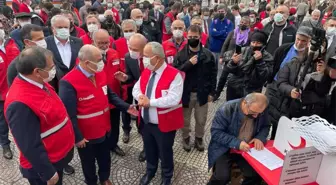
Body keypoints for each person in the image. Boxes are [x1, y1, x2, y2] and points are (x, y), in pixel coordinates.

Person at [59, 45, 137, 185]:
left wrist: (126, 107)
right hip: (86, 134)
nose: (102, 62)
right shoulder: (68, 82)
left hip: (104, 127)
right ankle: (91, 181)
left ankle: (104, 177)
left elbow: (110, 95)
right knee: (88, 162)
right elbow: (69, 113)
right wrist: (78, 137)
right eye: (99, 59)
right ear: (86, 62)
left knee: (104, 156)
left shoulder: (99, 72)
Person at [5, 47, 75, 185]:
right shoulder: (19, 103)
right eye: (51, 67)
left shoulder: (39, 83)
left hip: (57, 156)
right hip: (45, 167)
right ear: (37, 71)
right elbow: (29, 144)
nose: (53, 70)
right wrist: (47, 172)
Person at [132, 41, 184, 185]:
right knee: (149, 149)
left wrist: (150, 102)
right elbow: (136, 88)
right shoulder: (147, 71)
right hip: (146, 122)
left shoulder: (175, 75)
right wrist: (140, 97)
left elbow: (174, 99)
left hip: (164, 125)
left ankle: (166, 176)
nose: (144, 59)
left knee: (165, 152)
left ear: (158, 58)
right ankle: (150, 171)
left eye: (147, 56)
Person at [207, 93, 270, 185]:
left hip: (248, 149)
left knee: (255, 175)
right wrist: (237, 143)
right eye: (253, 112)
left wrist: (259, 138)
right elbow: (216, 133)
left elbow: (266, 126)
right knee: (222, 177)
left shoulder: (260, 110)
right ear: (244, 103)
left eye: (259, 113)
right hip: (224, 148)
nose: (256, 116)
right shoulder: (227, 108)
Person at [173, 25, 216, 152]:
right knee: (185, 119)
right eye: (190, 37)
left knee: (201, 119)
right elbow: (175, 73)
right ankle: (186, 137)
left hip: (202, 93)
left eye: (195, 37)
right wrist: (188, 64)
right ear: (186, 36)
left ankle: (199, 138)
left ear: (200, 37)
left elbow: (213, 75)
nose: (193, 39)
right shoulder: (181, 54)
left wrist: (212, 92)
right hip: (186, 93)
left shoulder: (208, 55)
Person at [266, 26, 311, 139]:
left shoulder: (309, 56)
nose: (300, 43)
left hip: (291, 92)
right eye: (298, 39)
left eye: (304, 41)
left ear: (309, 41)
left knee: (281, 122)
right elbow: (274, 64)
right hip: (275, 87)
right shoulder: (284, 49)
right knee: (266, 117)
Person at [114, 33, 147, 162]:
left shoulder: (153, 56)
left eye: (135, 49)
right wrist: (125, 78)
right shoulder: (128, 57)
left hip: (153, 95)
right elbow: (131, 75)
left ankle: (148, 146)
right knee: (142, 121)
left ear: (144, 47)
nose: (131, 51)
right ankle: (146, 147)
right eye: (130, 48)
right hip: (140, 94)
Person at [93, 29, 126, 156]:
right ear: (93, 41)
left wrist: (123, 78)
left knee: (115, 122)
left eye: (106, 42)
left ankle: (113, 144)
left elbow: (121, 71)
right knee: (100, 125)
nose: (104, 46)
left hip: (114, 96)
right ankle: (102, 146)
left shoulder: (114, 53)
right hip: (98, 99)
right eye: (100, 43)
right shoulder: (87, 56)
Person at [224, 30, 273, 101]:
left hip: (252, 90)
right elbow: (228, 69)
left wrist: (260, 62)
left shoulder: (268, 57)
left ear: (263, 45)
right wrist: (233, 62)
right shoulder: (242, 51)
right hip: (234, 88)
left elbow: (265, 76)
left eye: (258, 43)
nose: (255, 45)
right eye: (253, 42)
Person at [112, 19, 137, 144]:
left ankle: (141, 128)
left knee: (140, 106)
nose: (128, 33)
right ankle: (126, 129)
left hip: (138, 81)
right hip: (124, 81)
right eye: (126, 31)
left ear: (136, 30)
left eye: (131, 31)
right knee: (126, 106)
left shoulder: (142, 41)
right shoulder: (117, 43)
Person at [45, 14, 83, 94]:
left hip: (76, 86)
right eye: (60, 27)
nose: (63, 30)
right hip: (55, 88)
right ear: (52, 29)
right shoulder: (46, 43)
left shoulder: (78, 42)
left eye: (66, 27)